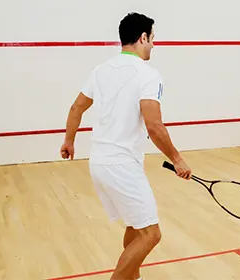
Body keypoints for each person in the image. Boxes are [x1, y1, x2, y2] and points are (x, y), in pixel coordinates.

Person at [60, 12, 192, 280]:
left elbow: (77, 107)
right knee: (151, 234)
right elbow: (154, 125)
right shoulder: (148, 74)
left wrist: (69, 141)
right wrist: (177, 159)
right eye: (153, 39)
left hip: (99, 163)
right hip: (122, 166)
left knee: (135, 227)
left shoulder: (101, 70)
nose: (154, 45)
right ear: (142, 37)